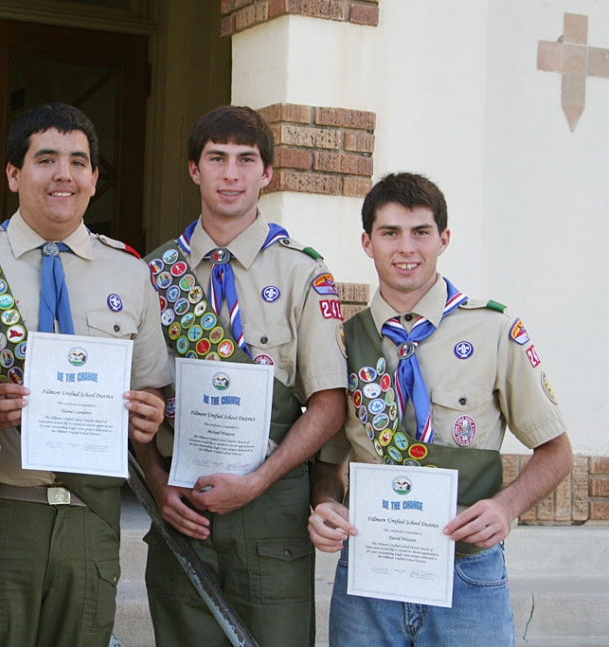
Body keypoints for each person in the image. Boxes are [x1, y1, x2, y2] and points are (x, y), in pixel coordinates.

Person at [0, 102, 169, 647]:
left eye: (79, 162)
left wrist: (150, 411)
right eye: (46, 159)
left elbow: (151, 383)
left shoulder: (129, 272)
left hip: (90, 520)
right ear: (14, 174)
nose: (64, 174)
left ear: (94, 178)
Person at [308, 172, 573, 646]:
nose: (406, 248)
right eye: (390, 233)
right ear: (367, 243)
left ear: (443, 239)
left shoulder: (493, 329)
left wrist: (506, 507)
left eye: (420, 232)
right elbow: (327, 462)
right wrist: (325, 504)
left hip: (466, 570)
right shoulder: (346, 341)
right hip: (371, 574)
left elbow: (556, 451)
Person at [134, 105, 348, 646]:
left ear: (267, 173)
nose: (231, 174)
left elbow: (330, 405)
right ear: (193, 169)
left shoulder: (303, 272)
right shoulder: (155, 274)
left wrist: (257, 480)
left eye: (246, 160)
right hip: (183, 504)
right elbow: (138, 397)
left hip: (271, 511)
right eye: (217, 159)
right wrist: (157, 485)